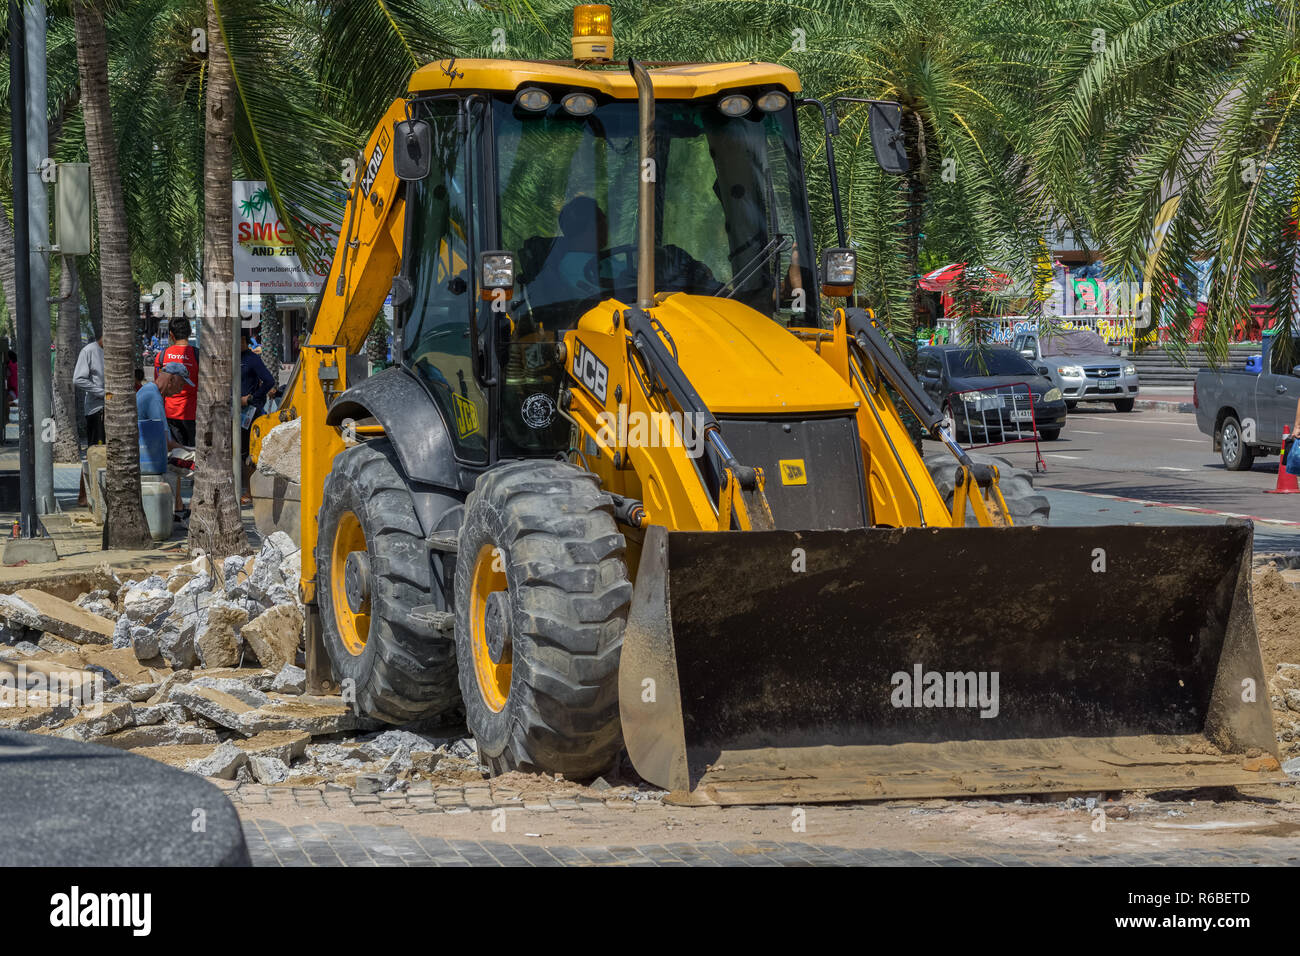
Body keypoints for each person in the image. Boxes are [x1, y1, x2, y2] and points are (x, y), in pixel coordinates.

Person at [140, 361, 196, 517]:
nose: (182, 388)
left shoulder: (151, 391)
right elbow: (167, 444)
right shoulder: (154, 397)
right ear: (172, 380)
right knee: (203, 466)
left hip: (148, 452)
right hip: (149, 457)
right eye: (182, 383)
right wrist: (190, 449)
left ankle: (182, 509)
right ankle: (194, 513)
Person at [240, 328, 275, 504]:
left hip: (249, 413)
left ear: (244, 341)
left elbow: (269, 381)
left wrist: (252, 398)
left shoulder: (252, 359)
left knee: (249, 454)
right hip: (231, 413)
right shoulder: (230, 358)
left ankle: (250, 492)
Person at [154, 317, 198, 448]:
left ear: (171, 335)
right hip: (192, 414)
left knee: (174, 453)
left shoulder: (161, 356)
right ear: (189, 333)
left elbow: (158, 386)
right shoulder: (197, 355)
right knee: (192, 452)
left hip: (169, 413)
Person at [73, 333, 105, 446]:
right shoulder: (89, 351)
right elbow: (78, 379)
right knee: (98, 451)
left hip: (116, 410)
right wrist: (102, 393)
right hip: (97, 409)